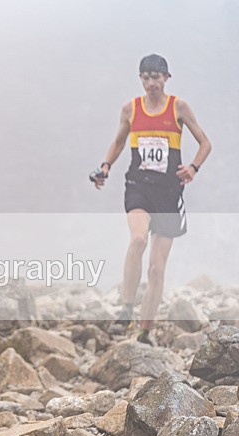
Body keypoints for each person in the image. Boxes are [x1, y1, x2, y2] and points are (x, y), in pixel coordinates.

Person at [91, 54, 211, 344]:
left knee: (157, 268)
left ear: (166, 78)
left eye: (156, 77)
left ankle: (145, 330)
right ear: (140, 79)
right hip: (138, 186)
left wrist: (192, 167)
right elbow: (119, 141)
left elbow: (205, 143)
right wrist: (105, 167)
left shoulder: (178, 107)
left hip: (169, 192)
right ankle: (127, 306)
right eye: (145, 77)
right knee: (138, 240)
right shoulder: (130, 109)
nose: (151, 83)